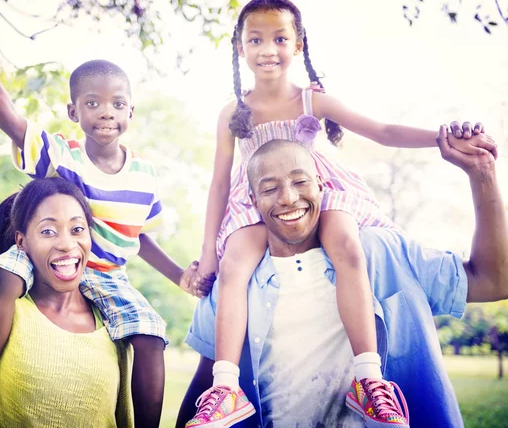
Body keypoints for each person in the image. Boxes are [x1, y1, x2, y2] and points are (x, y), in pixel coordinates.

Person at [188, 0, 498, 427]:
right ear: (240, 47)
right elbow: (220, 183)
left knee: (350, 248)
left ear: (298, 46)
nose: (267, 48)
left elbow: (384, 131)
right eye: (255, 39)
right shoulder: (232, 113)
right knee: (235, 264)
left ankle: (368, 379)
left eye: (280, 38)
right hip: (257, 199)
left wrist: (441, 137)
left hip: (318, 191)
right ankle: (225, 388)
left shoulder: (313, 100)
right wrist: (208, 253)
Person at [0, 43, 213, 428]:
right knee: (4, 277)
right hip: (45, 256)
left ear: (131, 111)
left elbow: (141, 236)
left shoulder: (146, 176)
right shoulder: (63, 157)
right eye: (93, 103)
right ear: (74, 111)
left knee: (151, 336)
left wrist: (180, 275)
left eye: (117, 103)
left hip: (110, 274)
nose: (106, 112)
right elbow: (12, 122)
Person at [178, 135, 507, 428]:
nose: (289, 198)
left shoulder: (384, 253)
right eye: (270, 188)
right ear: (252, 199)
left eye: (300, 182)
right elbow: (204, 386)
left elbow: (495, 281)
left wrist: (482, 174)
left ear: (321, 183)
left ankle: (369, 385)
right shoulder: (233, 281)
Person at [0, 51, 135, 427]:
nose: (66, 244)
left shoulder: (113, 319)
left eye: (77, 228)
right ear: (22, 242)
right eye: (47, 231)